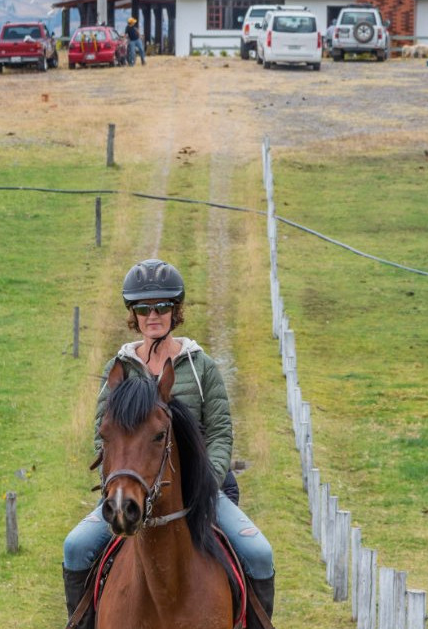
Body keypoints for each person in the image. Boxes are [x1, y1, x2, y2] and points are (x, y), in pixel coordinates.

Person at [63, 259, 275, 629]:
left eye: (161, 307)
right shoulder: (120, 369)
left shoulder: (201, 367)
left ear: (175, 311)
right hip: (131, 488)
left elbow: (220, 432)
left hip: (199, 493)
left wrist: (202, 482)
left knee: (259, 554)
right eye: (143, 308)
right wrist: (117, 483)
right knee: (76, 547)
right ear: (133, 314)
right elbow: (104, 432)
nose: (153, 315)